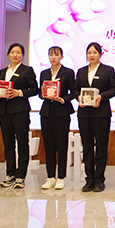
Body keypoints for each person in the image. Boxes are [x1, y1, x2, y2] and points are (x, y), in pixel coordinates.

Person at [74, 42, 115, 193]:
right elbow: (75, 89)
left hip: (101, 114)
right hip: (84, 114)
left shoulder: (108, 70)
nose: (91, 55)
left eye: (94, 52)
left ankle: (99, 180)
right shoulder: (81, 71)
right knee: (87, 147)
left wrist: (101, 97)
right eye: (89, 52)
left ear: (100, 54)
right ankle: (89, 179)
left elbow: (114, 89)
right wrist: (78, 97)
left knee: (101, 146)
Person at [0, 43, 39, 189]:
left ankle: (20, 176)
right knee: (8, 144)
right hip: (4, 111)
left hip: (20, 111)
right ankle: (10, 174)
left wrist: (19, 93)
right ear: (8, 54)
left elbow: (35, 89)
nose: (15, 55)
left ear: (23, 55)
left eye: (18, 52)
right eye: (13, 52)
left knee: (22, 143)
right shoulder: (3, 71)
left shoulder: (27, 70)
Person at [39, 46, 77, 190]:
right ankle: (50, 177)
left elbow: (74, 92)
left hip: (62, 112)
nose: (53, 57)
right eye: (51, 54)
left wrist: (63, 99)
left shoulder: (68, 72)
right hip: (46, 112)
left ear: (62, 56)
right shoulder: (44, 73)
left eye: (56, 55)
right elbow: (40, 93)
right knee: (48, 145)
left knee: (61, 145)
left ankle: (61, 177)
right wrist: (43, 94)